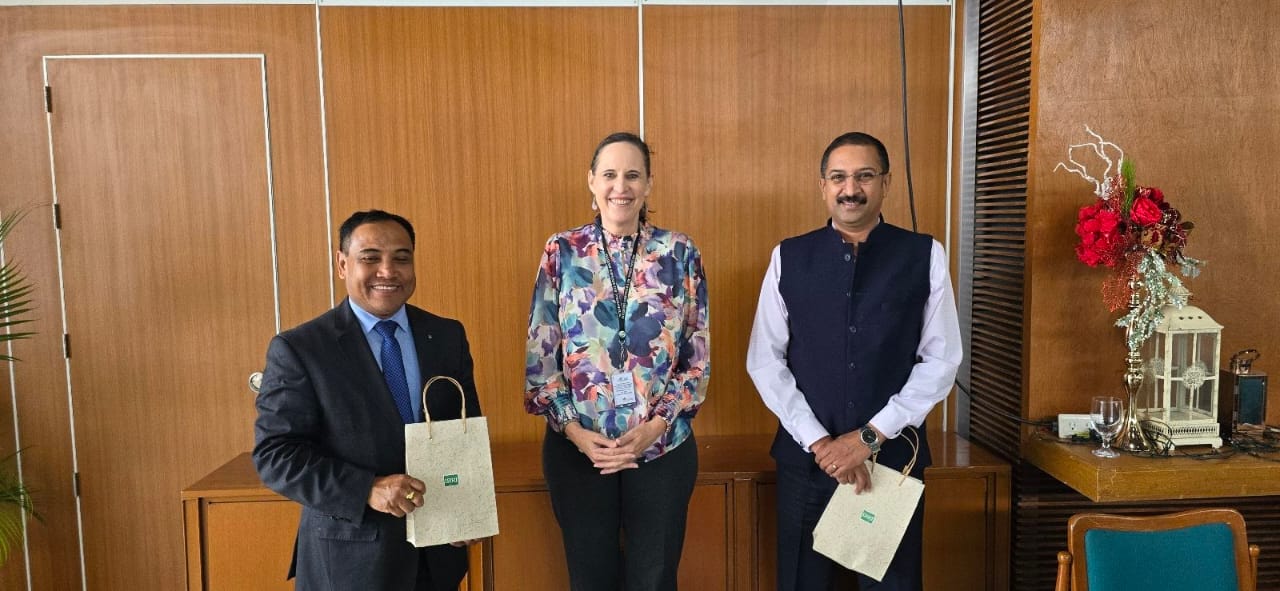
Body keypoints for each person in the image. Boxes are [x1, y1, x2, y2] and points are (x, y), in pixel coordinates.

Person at [746, 132, 962, 591]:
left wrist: (868, 438)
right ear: (822, 186)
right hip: (808, 464)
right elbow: (765, 361)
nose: (851, 189)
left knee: (893, 585)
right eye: (838, 177)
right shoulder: (789, 256)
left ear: (886, 183)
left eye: (864, 176)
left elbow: (941, 360)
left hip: (893, 464)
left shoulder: (924, 254)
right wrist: (821, 443)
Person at [253, 209, 483, 591]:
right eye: (370, 258)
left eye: (401, 258)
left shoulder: (446, 335)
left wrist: (466, 506)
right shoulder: (301, 349)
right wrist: (366, 489)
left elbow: (463, 430)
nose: (388, 271)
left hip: (438, 555)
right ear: (343, 264)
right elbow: (275, 455)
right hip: (348, 563)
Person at [524, 132, 710, 590]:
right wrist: (575, 431)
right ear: (591, 181)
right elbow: (540, 357)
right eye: (609, 175)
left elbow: (696, 359)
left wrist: (655, 426)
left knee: (655, 579)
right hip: (578, 450)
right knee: (590, 579)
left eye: (632, 175)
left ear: (649, 184)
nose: (620, 187)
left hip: (661, 449)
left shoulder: (679, 252)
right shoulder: (562, 251)